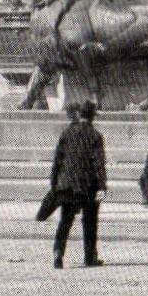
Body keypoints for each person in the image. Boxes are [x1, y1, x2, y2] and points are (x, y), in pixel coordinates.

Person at [48, 100, 107, 269]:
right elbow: (99, 163)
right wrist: (102, 186)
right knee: (90, 221)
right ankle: (90, 256)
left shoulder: (67, 132)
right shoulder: (95, 135)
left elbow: (57, 160)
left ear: (79, 114)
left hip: (67, 185)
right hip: (88, 185)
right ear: (92, 117)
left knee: (65, 221)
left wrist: (54, 183)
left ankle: (58, 252)